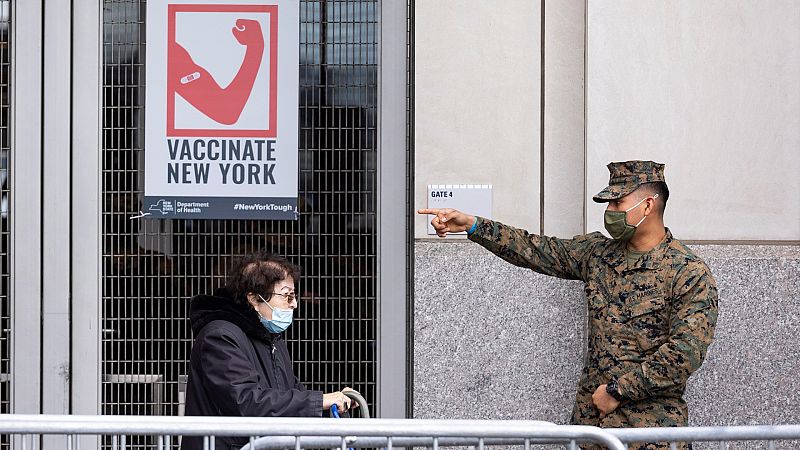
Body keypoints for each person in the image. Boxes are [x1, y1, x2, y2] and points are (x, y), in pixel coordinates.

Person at [419, 161, 718, 450]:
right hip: (592, 428)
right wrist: (473, 225)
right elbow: (535, 249)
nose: (609, 212)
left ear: (648, 206)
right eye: (608, 204)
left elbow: (684, 354)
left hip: (651, 433)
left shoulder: (687, 272)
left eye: (617, 203)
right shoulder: (597, 254)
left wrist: (619, 390)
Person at [182, 252, 356, 450]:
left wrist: (332, 402)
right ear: (255, 299)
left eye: (294, 295)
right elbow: (246, 401)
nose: (294, 303)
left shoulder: (269, 338)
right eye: (286, 295)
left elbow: (289, 393)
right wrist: (320, 401)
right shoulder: (220, 337)